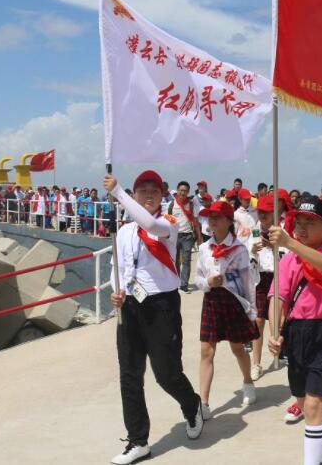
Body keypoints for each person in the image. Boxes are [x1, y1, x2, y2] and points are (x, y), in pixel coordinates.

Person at [104, 171, 204, 465]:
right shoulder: (124, 232)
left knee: (166, 374)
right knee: (129, 375)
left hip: (161, 307)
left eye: (154, 190)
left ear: (163, 196)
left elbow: (149, 224)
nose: (148, 194)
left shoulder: (168, 223)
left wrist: (117, 192)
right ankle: (138, 440)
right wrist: (116, 291)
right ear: (135, 194)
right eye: (142, 189)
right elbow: (116, 266)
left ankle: (192, 405)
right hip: (129, 307)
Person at [267, 195, 322, 465]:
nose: (301, 228)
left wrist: (289, 242)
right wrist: (274, 332)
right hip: (297, 333)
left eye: (310, 223)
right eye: (298, 222)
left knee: (314, 406)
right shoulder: (288, 260)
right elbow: (277, 297)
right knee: (304, 402)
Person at [194, 200, 259, 418]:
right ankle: (203, 402)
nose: (212, 220)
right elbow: (198, 279)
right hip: (211, 300)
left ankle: (248, 382)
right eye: (210, 217)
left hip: (233, 302)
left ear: (229, 221)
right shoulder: (204, 248)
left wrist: (251, 311)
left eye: (218, 217)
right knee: (206, 351)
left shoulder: (239, 249)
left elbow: (248, 282)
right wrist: (208, 282)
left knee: (238, 348)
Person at [249, 195, 285, 382]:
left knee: (278, 321)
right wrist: (252, 251)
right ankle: (256, 363)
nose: (262, 215)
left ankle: (280, 353)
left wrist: (273, 247)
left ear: (274, 212)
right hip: (260, 279)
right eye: (260, 212)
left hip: (278, 278)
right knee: (258, 321)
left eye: (266, 212)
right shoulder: (253, 231)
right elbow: (245, 257)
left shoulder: (281, 231)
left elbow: (289, 257)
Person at [168, 181, 201, 293]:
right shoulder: (171, 204)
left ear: (188, 192)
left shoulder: (191, 205)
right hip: (175, 236)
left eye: (185, 191)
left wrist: (199, 237)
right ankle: (176, 282)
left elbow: (195, 221)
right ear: (177, 190)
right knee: (175, 261)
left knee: (186, 261)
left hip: (188, 236)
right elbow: (167, 220)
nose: (183, 193)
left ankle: (184, 285)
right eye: (181, 190)